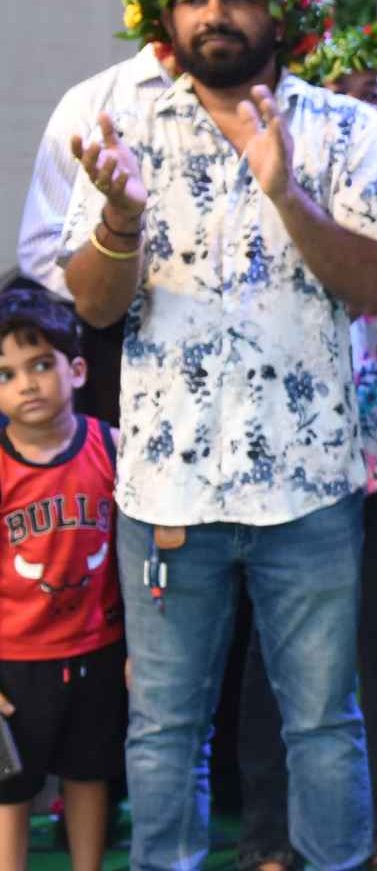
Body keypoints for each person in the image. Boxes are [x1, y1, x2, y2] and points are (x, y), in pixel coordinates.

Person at [59, 0, 377, 871]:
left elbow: (373, 287)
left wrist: (286, 191)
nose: (215, 13)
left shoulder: (347, 129)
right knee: (164, 726)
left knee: (323, 722)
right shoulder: (123, 127)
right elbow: (93, 307)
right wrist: (120, 221)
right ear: (164, 15)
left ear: (282, 12)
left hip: (309, 491)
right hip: (167, 494)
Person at [235, 27, 377, 871]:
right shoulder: (266, 192)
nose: (357, 109)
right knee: (274, 649)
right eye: (341, 93)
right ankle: (270, 838)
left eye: (375, 94)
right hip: (295, 453)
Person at [0, 289, 125, 871]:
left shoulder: (110, 447)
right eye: (6, 374)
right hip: (14, 662)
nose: (26, 385)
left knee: (88, 775)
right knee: (10, 791)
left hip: (96, 651)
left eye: (40, 365)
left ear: (76, 370)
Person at [17, 42, 175, 426]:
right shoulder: (95, 102)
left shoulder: (284, 101)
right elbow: (41, 250)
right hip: (121, 353)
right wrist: (117, 286)